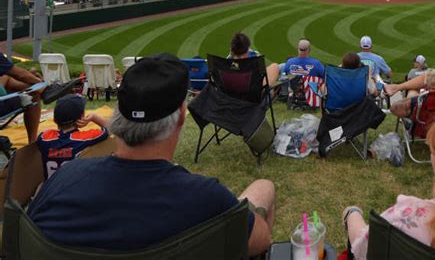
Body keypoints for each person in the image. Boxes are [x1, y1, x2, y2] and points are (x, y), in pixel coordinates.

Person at [28, 54, 275, 256]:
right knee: (264, 187)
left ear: (118, 115)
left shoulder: (62, 181)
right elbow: (260, 240)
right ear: (181, 116)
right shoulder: (206, 198)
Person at [342, 114, 435, 258]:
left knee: (352, 214)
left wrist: (351, 214)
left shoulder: (407, 217)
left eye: (433, 151)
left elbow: (365, 248)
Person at [36, 94, 109, 180]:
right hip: (73, 188)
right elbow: (110, 128)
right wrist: (93, 117)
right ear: (82, 117)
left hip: (50, 189)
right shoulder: (85, 138)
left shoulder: (44, 137)